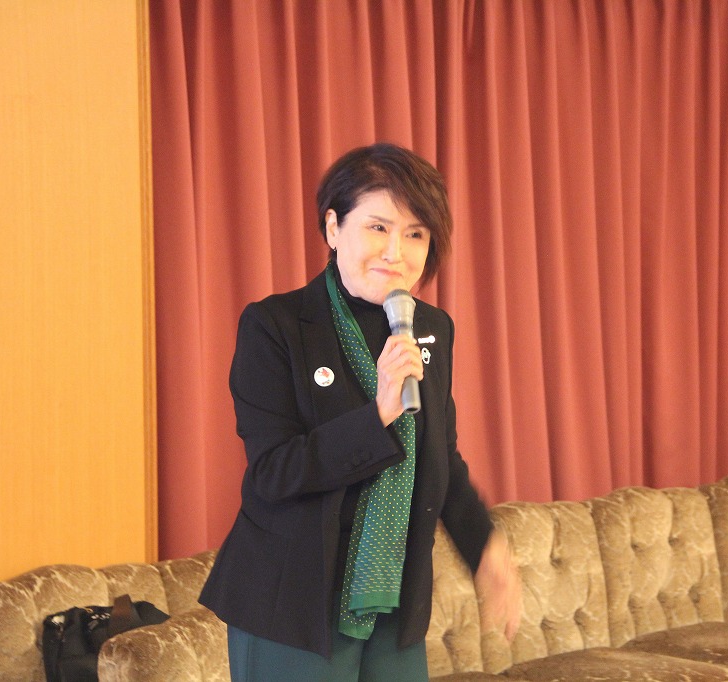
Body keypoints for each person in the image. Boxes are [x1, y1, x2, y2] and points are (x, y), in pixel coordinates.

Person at [199, 142, 520, 681]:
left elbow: (440, 459)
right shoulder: (276, 326)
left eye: (415, 234)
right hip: (294, 605)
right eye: (378, 227)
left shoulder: (431, 328)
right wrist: (378, 416)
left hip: (393, 600)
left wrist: (483, 547)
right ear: (333, 228)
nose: (396, 252)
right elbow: (274, 472)